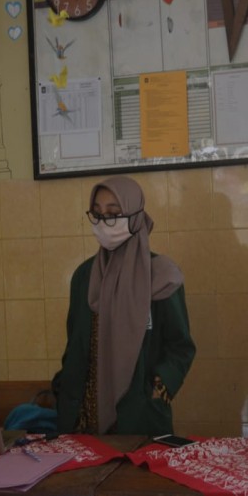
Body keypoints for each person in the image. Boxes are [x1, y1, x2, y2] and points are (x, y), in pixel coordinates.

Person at [52, 176, 196, 436]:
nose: (103, 222)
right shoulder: (84, 276)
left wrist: (159, 388)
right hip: (83, 417)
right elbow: (74, 343)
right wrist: (64, 392)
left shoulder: (160, 275)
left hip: (138, 414)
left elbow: (180, 346)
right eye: (97, 214)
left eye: (113, 214)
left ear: (135, 216)